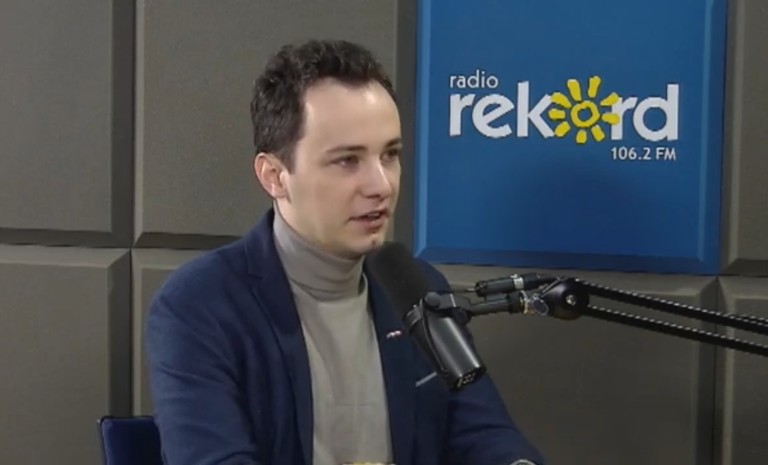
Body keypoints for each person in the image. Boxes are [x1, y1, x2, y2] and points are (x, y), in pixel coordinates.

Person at [145, 38, 545, 465]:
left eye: (389, 155)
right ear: (274, 176)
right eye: (347, 161)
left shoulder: (417, 288)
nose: (381, 185)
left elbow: (484, 431)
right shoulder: (199, 306)